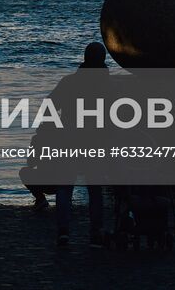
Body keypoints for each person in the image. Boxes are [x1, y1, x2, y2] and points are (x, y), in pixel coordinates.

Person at [50, 43, 110, 247]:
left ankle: (63, 231)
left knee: (65, 187)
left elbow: (50, 107)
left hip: (69, 138)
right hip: (96, 140)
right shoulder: (108, 85)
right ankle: (96, 231)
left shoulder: (69, 82)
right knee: (95, 189)